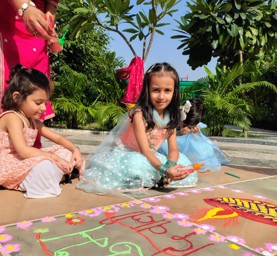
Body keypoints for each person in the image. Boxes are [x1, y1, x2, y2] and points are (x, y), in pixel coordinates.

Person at [77, 62, 198, 194]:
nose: (161, 96)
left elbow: (173, 149)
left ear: (174, 92)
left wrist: (170, 166)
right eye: (156, 90)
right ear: (147, 90)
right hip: (130, 154)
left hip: (152, 157)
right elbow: (145, 150)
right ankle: (157, 177)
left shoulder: (172, 117)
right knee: (135, 165)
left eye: (167, 90)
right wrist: (163, 169)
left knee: (183, 164)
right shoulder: (139, 115)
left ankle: (162, 177)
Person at [0, 64, 84, 198]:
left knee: (65, 153)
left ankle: (52, 175)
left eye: (45, 103)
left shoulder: (34, 122)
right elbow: (22, 150)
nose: (44, 108)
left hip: (25, 160)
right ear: (17, 98)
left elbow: (59, 139)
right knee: (46, 164)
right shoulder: (12, 118)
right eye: (38, 103)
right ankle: (43, 178)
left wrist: (75, 150)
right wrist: (53, 157)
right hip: (7, 164)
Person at [0, 0, 62, 148]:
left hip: (36, 34)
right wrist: (26, 8)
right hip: (7, 19)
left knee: (33, 88)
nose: (43, 107)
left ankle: (32, 147)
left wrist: (49, 25)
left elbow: (52, 4)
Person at [158, 98, 231, 172]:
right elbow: (163, 138)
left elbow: (199, 144)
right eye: (184, 125)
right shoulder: (172, 120)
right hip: (171, 146)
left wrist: (196, 135)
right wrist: (179, 134)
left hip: (185, 151)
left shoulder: (194, 126)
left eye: (190, 127)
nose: (186, 128)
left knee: (205, 149)